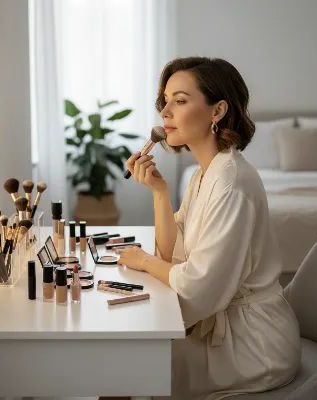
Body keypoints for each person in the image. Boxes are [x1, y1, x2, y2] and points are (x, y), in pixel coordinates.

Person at [115, 57, 301, 400]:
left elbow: (198, 288)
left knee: (123, 370)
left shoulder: (231, 182)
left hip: (253, 346)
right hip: (226, 329)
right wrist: (159, 193)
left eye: (180, 101)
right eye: (165, 102)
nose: (165, 112)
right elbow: (174, 254)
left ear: (217, 111)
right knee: (123, 365)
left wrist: (142, 261)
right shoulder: (205, 173)